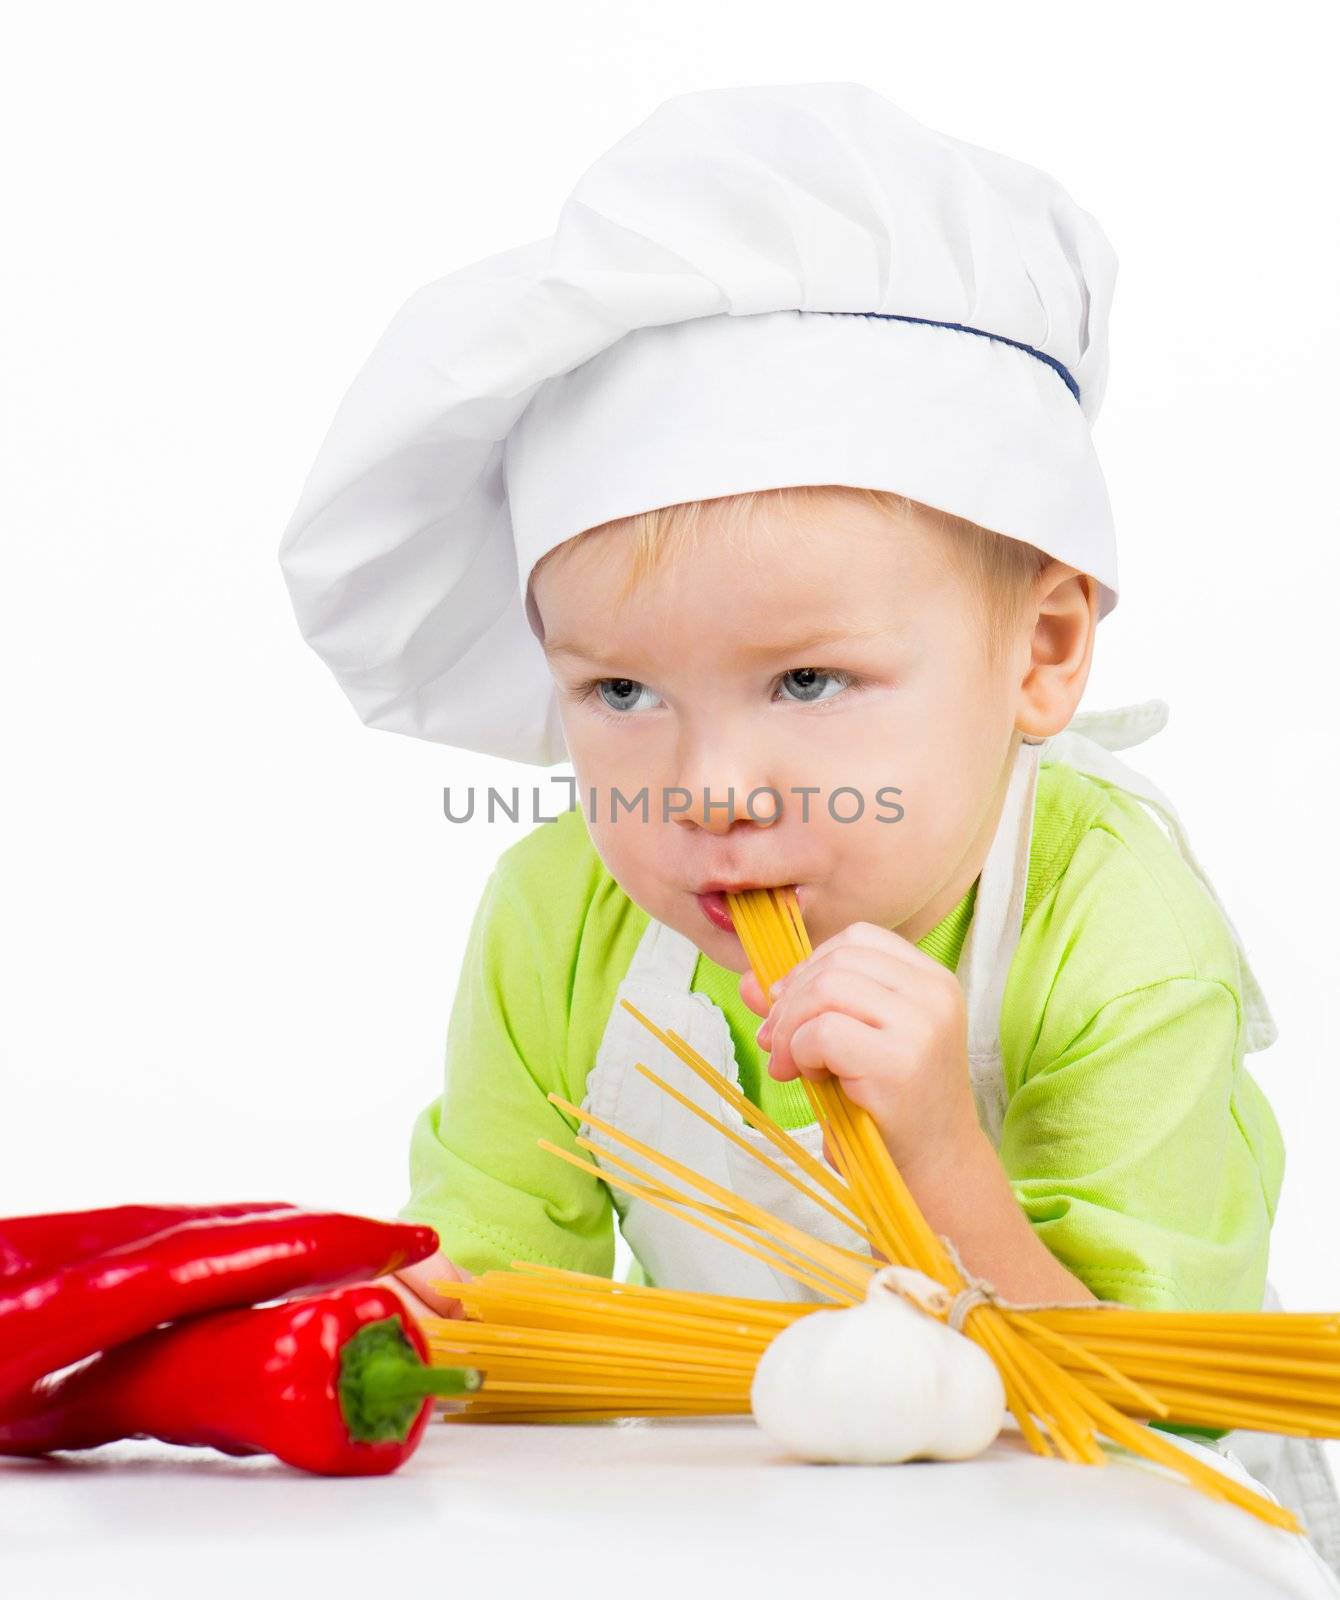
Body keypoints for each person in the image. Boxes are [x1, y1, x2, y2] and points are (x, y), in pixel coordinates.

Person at [277, 83, 1338, 1564]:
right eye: (625, 690)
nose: (711, 785)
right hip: (755, 1533)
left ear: (1040, 655)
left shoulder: (1114, 930)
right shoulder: (558, 916)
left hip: (1127, 1536)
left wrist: (942, 1155)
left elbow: (1160, 1408)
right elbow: (503, 1312)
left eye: (810, 679)